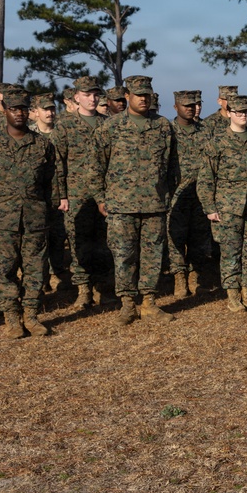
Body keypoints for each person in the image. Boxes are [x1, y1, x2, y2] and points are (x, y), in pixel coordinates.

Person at [0, 89, 67, 338]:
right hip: (2, 220)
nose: (19, 113)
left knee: (35, 269)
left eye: (23, 109)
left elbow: (51, 183)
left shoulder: (43, 145)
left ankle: (31, 316)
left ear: (30, 112)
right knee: (4, 270)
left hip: (35, 219)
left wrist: (49, 211)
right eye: (14, 109)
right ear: (5, 111)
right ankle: (12, 318)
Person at [92, 75, 176, 325]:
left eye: (147, 95)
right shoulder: (111, 126)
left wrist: (166, 195)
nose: (143, 99)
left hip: (154, 204)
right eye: (138, 94)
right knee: (124, 255)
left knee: (152, 255)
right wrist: (100, 197)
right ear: (127, 96)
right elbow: (96, 165)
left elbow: (172, 165)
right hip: (121, 205)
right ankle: (127, 304)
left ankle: (149, 302)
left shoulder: (163, 126)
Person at [197, 94, 247, 312]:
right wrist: (209, 208)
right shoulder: (217, 142)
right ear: (229, 113)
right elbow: (206, 178)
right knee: (230, 251)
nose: (243, 116)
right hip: (228, 206)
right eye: (238, 112)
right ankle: (232, 296)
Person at [52, 76, 111, 309]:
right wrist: (62, 195)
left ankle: (105, 289)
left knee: (105, 243)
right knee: (79, 243)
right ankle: (84, 290)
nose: (92, 98)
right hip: (76, 194)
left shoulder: (107, 124)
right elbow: (57, 162)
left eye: (96, 94)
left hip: (104, 195)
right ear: (76, 97)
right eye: (87, 94)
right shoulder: (65, 125)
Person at [168, 90, 212, 297]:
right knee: (175, 238)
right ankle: (179, 278)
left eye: (194, 104)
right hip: (176, 195)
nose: (191, 108)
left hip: (200, 195)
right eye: (186, 105)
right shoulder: (168, 131)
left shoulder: (205, 131)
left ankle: (196, 277)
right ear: (176, 107)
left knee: (199, 237)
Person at [31, 93, 68, 291]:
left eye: (52, 109)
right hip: (37, 196)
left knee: (58, 236)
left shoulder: (62, 132)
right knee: (38, 240)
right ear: (35, 113)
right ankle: (42, 278)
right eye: (45, 109)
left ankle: (57, 275)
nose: (50, 113)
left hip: (61, 194)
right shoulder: (30, 135)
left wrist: (64, 194)